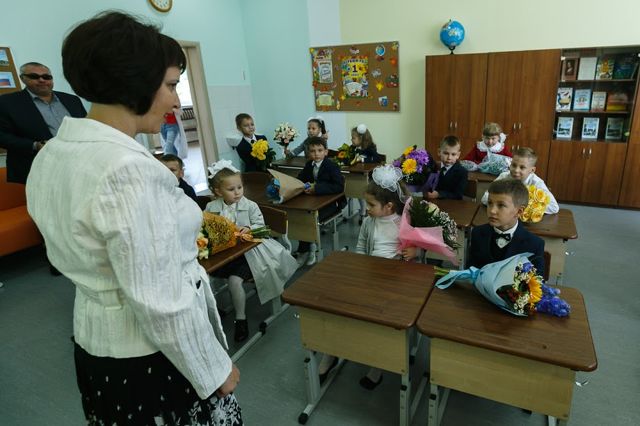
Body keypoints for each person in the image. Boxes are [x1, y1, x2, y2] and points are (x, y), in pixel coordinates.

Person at [25, 11, 242, 425]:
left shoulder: (54, 153)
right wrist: (213, 370)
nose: (176, 101)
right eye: (171, 85)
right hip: (150, 354)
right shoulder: (126, 170)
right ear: (136, 81)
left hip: (97, 341)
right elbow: (158, 298)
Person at [316, 165, 417, 390]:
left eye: (371, 205)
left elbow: (414, 257)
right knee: (336, 307)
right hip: (368, 279)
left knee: (377, 323)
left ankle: (377, 365)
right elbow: (361, 246)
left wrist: (415, 251)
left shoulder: (403, 223)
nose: (367, 209)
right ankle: (331, 353)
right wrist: (357, 273)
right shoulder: (370, 221)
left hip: (392, 286)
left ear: (389, 206)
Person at [204, 160, 297, 342]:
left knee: (234, 281)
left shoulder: (251, 205)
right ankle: (211, 313)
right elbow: (207, 230)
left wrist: (249, 229)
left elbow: (262, 230)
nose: (237, 192)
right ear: (218, 192)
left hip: (251, 253)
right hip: (225, 253)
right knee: (204, 275)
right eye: (231, 189)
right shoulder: (211, 208)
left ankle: (240, 319)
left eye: (239, 187)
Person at [0, 62, 86, 183]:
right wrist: (35, 145)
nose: (41, 80)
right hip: (37, 168)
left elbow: (86, 126)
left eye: (46, 77)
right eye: (34, 76)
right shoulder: (7, 103)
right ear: (22, 78)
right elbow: (2, 136)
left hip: (77, 163)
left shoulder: (72, 100)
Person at [470, 179, 545, 275]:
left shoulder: (534, 244)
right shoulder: (477, 233)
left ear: (519, 211)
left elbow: (536, 280)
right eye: (490, 203)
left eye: (501, 205)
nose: (492, 211)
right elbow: (470, 271)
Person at [295, 136, 345, 267]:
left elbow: (339, 186)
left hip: (330, 204)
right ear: (308, 153)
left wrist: (316, 188)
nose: (316, 154)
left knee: (309, 219)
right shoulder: (308, 165)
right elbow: (300, 179)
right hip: (312, 202)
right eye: (312, 151)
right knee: (301, 216)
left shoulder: (332, 166)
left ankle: (311, 249)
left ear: (326, 152)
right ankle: (305, 250)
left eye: (319, 150)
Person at [481, 147, 559, 214]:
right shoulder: (503, 176)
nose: (516, 170)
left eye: (522, 167)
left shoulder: (537, 183)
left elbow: (554, 207)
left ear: (532, 170)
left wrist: (523, 206)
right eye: (514, 165)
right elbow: (485, 197)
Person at [350, 123, 381, 223]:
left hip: (368, 177)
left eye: (353, 138)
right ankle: (362, 209)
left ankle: (364, 211)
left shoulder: (370, 147)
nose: (351, 140)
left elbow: (377, 158)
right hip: (357, 175)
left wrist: (363, 160)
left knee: (361, 190)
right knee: (356, 190)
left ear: (361, 138)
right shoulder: (353, 147)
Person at [425, 135, 468, 200]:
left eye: (453, 154)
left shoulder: (462, 172)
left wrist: (439, 194)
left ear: (458, 155)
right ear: (439, 152)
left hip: (452, 204)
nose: (449, 158)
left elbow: (458, 195)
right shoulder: (433, 167)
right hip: (432, 202)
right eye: (446, 153)